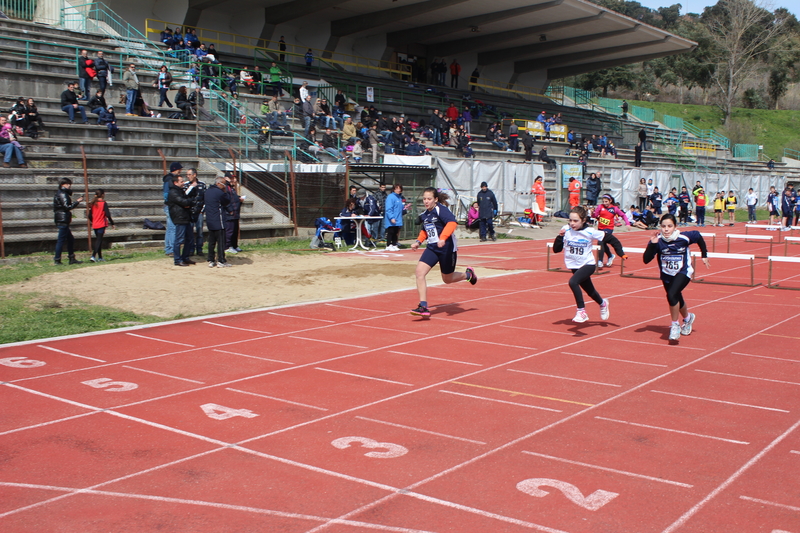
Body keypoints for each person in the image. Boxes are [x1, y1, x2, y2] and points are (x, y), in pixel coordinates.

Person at [409, 188, 477, 317]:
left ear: (435, 199)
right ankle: (423, 306)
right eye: (424, 199)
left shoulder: (441, 210)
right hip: (432, 248)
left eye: (429, 199)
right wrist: (418, 242)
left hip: (446, 248)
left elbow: (452, 223)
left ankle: (468, 275)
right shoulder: (426, 214)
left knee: (447, 279)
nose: (426, 201)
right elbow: (425, 230)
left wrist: (443, 238)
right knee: (419, 272)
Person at [643, 214, 710, 341]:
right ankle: (688, 318)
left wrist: (704, 255)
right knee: (676, 296)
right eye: (663, 226)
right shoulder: (658, 241)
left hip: (684, 271)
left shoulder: (684, 237)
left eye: (669, 226)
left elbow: (699, 237)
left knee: (672, 294)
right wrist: (652, 244)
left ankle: (675, 325)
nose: (666, 229)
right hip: (666, 274)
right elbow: (646, 260)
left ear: (675, 227)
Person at [552, 206, 610, 323]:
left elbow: (609, 238)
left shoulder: (590, 231)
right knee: (590, 291)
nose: (572, 223)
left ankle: (581, 311)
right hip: (575, 265)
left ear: (583, 220)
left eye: (575, 221)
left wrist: (620, 252)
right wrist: (560, 237)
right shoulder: (566, 230)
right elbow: (556, 250)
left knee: (573, 282)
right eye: (570, 220)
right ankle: (603, 303)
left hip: (588, 264)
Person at [592, 194, 629, 268]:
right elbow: (595, 216)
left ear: (610, 201)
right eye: (603, 201)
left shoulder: (614, 208)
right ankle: (610, 255)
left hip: (608, 229)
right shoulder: (600, 207)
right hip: (600, 228)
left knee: (600, 241)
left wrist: (627, 223)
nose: (604, 203)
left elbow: (623, 215)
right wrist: (593, 213)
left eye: (606, 201)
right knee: (602, 243)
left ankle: (600, 261)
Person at [52, 178, 83, 265]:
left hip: (63, 219)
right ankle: (57, 259)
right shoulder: (62, 194)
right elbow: (67, 207)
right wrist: (77, 202)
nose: (69, 186)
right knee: (61, 240)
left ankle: (71, 258)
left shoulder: (61, 193)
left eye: (69, 184)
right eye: (67, 184)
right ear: (63, 185)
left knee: (70, 239)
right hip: (63, 219)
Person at [168, 173, 195, 267]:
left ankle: (185, 257)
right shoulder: (173, 192)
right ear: (175, 183)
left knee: (190, 239)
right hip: (180, 217)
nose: (183, 183)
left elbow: (188, 201)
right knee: (179, 240)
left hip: (185, 217)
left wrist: (189, 203)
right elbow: (184, 202)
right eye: (181, 181)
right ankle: (177, 259)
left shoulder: (180, 191)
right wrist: (188, 203)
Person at [205, 176, 231, 267]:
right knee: (221, 242)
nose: (224, 186)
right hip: (218, 220)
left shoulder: (208, 191)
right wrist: (225, 191)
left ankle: (211, 260)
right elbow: (227, 200)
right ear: (219, 183)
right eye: (224, 184)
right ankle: (221, 260)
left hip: (210, 220)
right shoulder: (220, 193)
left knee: (211, 242)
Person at [87, 189, 115, 262]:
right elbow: (108, 214)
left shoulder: (93, 203)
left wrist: (93, 221)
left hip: (95, 224)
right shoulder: (103, 203)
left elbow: (89, 215)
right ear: (102, 195)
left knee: (98, 240)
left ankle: (100, 257)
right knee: (99, 241)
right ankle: (93, 256)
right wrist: (112, 223)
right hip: (101, 224)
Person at [184, 168, 207, 256]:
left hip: (199, 212)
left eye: (189, 174)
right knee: (189, 232)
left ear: (194, 175)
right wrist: (191, 187)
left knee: (199, 231)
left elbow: (205, 198)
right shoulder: (186, 185)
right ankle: (190, 249)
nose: (188, 176)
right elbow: (184, 195)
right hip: (189, 212)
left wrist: (202, 211)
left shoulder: (202, 184)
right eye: (187, 175)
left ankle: (199, 249)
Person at [163, 162, 182, 255]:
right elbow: (166, 194)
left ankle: (169, 248)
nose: (180, 171)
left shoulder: (168, 179)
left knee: (170, 228)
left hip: (169, 205)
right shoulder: (169, 180)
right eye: (180, 169)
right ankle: (170, 249)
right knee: (172, 227)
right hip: (170, 206)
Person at [224, 173, 244, 252]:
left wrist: (239, 200)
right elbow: (227, 201)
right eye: (231, 178)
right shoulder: (226, 188)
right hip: (229, 214)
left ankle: (234, 245)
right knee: (229, 231)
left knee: (235, 231)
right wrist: (230, 210)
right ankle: (228, 246)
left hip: (235, 213)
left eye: (234, 178)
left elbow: (234, 199)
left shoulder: (231, 188)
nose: (234, 180)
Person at [384, 184, 404, 251]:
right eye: (397, 188)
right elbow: (389, 208)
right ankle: (388, 245)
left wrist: (405, 208)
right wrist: (391, 217)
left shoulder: (399, 197)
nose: (399, 190)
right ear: (393, 189)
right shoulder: (390, 197)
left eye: (399, 188)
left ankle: (394, 244)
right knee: (391, 231)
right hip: (392, 218)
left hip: (398, 218)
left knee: (396, 232)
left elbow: (399, 207)